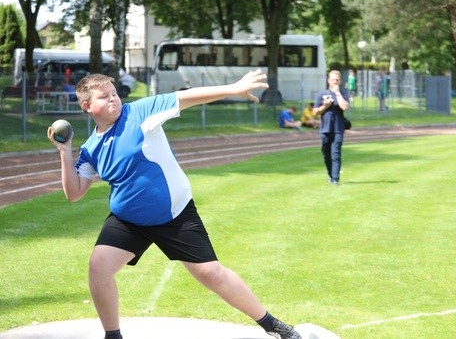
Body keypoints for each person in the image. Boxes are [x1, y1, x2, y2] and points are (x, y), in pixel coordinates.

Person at [46, 69, 301, 339]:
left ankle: (272, 324)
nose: (113, 99)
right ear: (87, 106)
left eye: (115, 93)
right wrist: (65, 151)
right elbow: (74, 193)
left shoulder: (139, 112)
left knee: (211, 274)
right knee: (99, 266)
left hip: (174, 215)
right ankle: (113, 336)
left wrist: (232, 89)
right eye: (104, 97)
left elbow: (184, 97)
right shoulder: (91, 149)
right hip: (128, 220)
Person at [314, 70, 349, 186]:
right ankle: (331, 175)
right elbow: (315, 112)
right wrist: (325, 105)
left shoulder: (342, 94)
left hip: (338, 128)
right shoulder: (322, 94)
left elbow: (344, 107)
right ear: (328, 81)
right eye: (333, 80)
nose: (335, 82)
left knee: (336, 153)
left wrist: (338, 94)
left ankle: (335, 179)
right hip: (325, 128)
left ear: (340, 81)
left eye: (337, 80)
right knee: (326, 153)